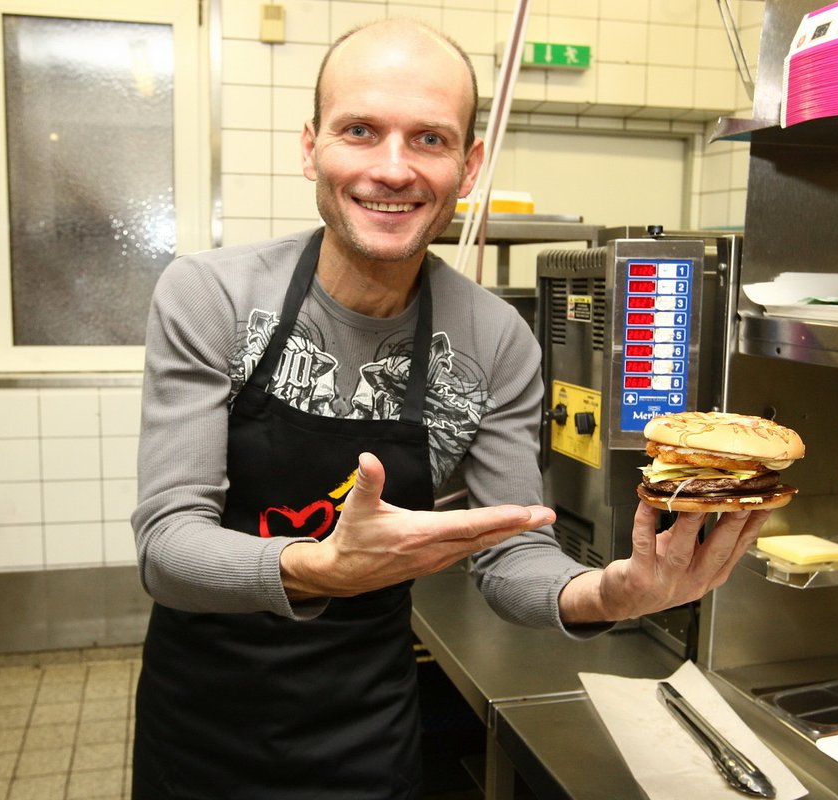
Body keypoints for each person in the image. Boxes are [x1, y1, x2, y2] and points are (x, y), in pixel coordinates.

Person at [130, 18, 772, 800]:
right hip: (203, 729)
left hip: (364, 731)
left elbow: (512, 554)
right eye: (360, 130)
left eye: (428, 139)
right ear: (310, 147)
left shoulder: (495, 338)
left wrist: (610, 593)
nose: (392, 169)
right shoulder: (212, 296)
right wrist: (324, 567)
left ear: (468, 166)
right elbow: (168, 547)